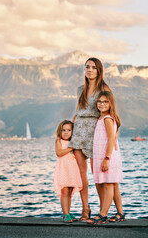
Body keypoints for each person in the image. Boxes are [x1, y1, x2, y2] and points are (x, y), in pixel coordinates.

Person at [68, 57, 111, 221]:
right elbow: (78, 111)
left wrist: (110, 135)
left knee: (98, 174)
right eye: (87, 67)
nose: (90, 70)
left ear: (99, 70)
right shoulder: (80, 89)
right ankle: (85, 208)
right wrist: (70, 130)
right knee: (81, 174)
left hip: (95, 132)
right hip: (79, 131)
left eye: (93, 67)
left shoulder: (104, 88)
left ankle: (102, 212)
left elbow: (109, 112)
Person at [87, 91, 125, 224]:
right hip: (106, 155)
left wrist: (107, 158)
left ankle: (103, 214)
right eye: (100, 101)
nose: (102, 104)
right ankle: (120, 213)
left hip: (108, 156)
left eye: (105, 102)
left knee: (108, 185)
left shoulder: (108, 119)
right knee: (114, 185)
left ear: (110, 103)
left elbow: (110, 139)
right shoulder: (101, 118)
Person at [54, 120, 82, 223]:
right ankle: (65, 214)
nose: (66, 132)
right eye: (63, 130)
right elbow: (59, 152)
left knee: (70, 191)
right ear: (59, 131)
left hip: (72, 169)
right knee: (64, 191)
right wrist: (70, 148)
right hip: (63, 168)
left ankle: (68, 212)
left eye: (69, 130)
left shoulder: (73, 142)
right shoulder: (59, 141)